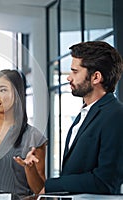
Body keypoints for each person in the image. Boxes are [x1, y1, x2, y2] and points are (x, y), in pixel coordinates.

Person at [15, 41, 123, 195]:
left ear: (96, 77)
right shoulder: (84, 114)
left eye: (74, 71)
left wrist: (54, 185)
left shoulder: (116, 115)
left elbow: (105, 181)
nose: (69, 78)